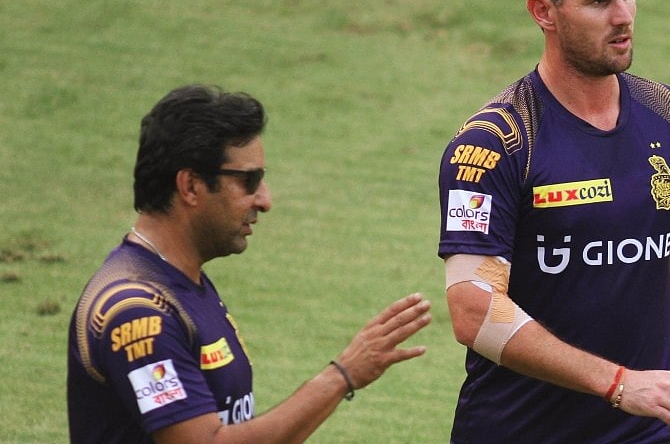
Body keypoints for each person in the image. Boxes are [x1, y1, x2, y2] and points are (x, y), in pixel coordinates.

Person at [437, 0, 670, 443]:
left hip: (644, 434)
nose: (624, 17)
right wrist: (618, 384)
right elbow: (473, 309)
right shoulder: (496, 142)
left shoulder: (667, 115)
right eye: (599, 2)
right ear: (542, 11)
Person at [67, 85, 432, 443]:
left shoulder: (183, 282)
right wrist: (341, 377)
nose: (266, 200)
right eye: (249, 181)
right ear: (191, 186)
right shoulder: (137, 313)